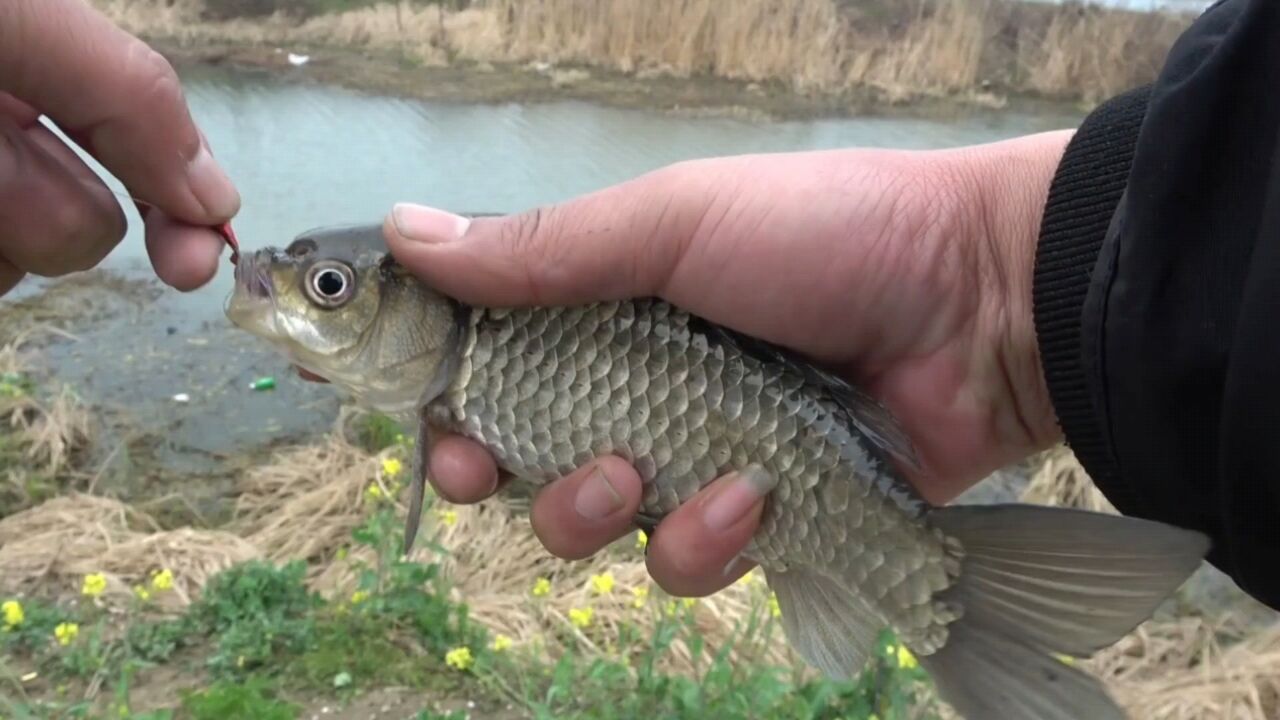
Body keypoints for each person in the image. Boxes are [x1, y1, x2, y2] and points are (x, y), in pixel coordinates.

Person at [3, 0, 1275, 609]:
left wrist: (1013, 288)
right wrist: (1008, 289)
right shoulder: (449, 390)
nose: (295, 293)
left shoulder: (488, 313)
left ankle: (938, 586)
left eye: (328, 289)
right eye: (317, 290)